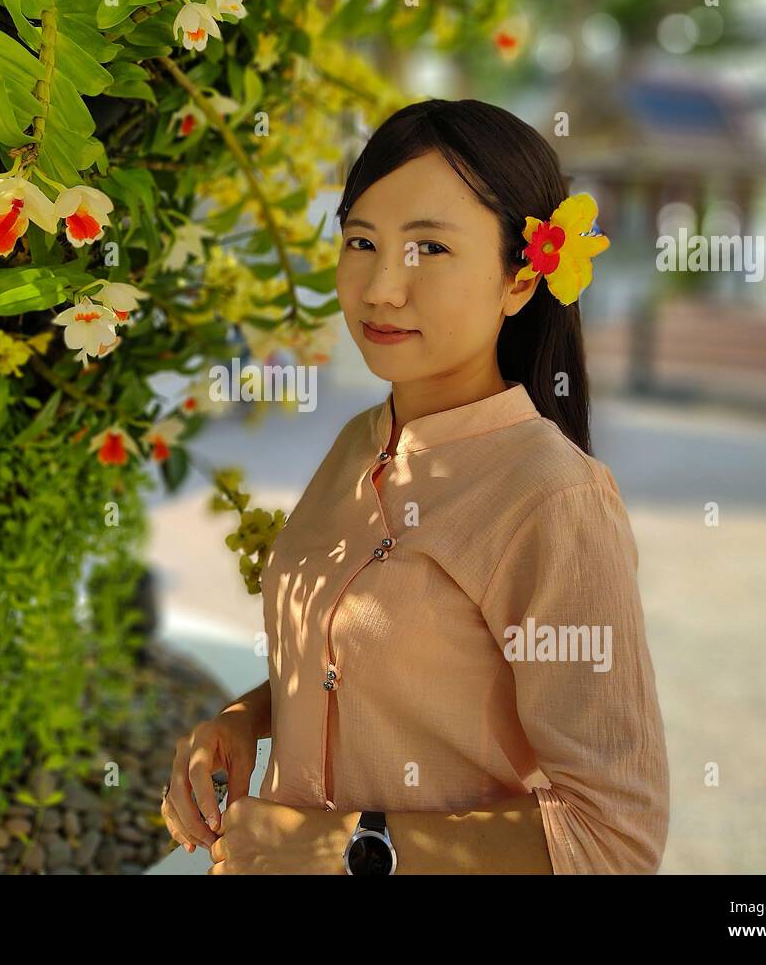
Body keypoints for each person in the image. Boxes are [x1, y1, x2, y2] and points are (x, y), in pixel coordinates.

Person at [160, 98, 670, 874]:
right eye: (362, 241)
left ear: (521, 279)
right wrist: (246, 717)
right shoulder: (357, 442)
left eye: (429, 247)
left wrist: (353, 845)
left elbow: (613, 838)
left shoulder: (553, 500)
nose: (381, 288)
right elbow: (378, 660)